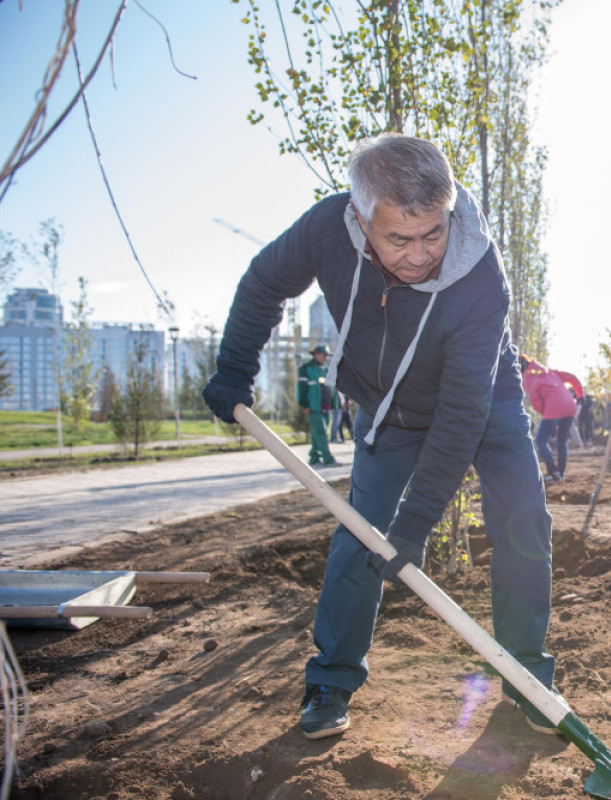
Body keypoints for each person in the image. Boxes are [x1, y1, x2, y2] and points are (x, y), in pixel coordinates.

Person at [201, 134, 558, 739]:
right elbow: (265, 282)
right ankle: (331, 678)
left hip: (484, 402)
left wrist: (416, 524)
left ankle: (527, 676)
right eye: (399, 239)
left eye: (434, 234)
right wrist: (235, 367)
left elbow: (462, 410)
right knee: (361, 531)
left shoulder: (481, 277)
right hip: (387, 405)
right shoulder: (325, 229)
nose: (421, 256)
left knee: (525, 518)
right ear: (362, 219)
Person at [520, 355, 584, 483]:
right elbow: (572, 378)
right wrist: (580, 395)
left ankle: (553, 471)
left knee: (540, 440)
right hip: (570, 407)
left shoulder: (528, 379)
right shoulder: (550, 372)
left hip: (554, 408)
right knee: (562, 442)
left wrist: (546, 414)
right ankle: (561, 474)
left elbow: (536, 401)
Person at [298, 345, 337, 465]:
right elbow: (302, 389)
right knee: (321, 432)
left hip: (325, 406)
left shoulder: (326, 370)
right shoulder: (306, 368)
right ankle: (328, 458)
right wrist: (304, 404)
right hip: (313, 406)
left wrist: (335, 403)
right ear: (315, 354)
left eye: (326, 355)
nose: (325, 357)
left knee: (317, 432)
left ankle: (314, 457)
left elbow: (331, 389)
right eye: (323, 355)